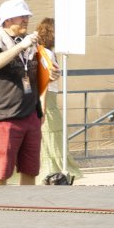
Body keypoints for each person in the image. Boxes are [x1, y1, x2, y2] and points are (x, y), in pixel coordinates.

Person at [0, 0, 44, 187]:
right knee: (1, 175)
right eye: (21, 16)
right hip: (4, 117)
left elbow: (35, 76)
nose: (26, 19)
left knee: (30, 172)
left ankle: (26, 205)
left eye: (27, 16)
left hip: (30, 115)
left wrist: (51, 75)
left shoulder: (29, 43)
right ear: (7, 20)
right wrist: (20, 47)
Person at [36, 17, 78, 183]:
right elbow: (44, 81)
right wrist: (43, 106)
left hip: (47, 98)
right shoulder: (46, 53)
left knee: (49, 136)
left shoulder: (42, 51)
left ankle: (51, 171)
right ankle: (52, 172)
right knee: (51, 136)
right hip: (47, 99)